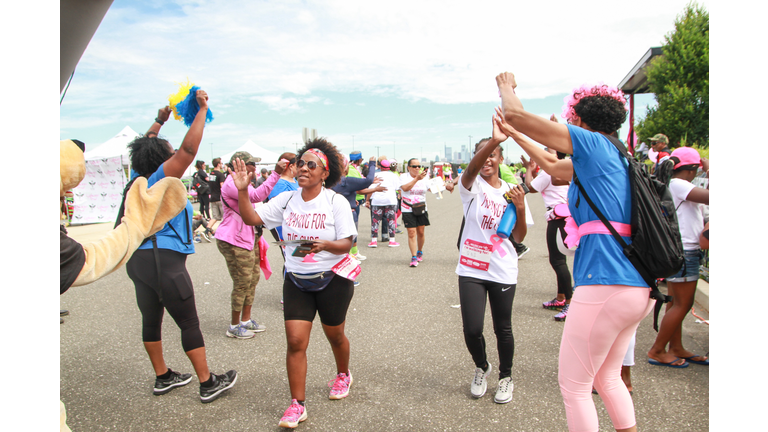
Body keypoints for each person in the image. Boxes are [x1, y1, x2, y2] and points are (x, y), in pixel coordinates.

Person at [496, 72, 654, 432]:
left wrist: (506, 86)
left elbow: (519, 115)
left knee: (575, 387)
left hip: (605, 284)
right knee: (607, 378)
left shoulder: (593, 145)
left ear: (579, 122)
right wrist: (517, 135)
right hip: (637, 287)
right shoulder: (615, 156)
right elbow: (553, 168)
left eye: (571, 121)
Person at [231, 138, 357, 429]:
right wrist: (242, 190)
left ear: (324, 173)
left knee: (335, 335)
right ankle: (297, 405)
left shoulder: (334, 201)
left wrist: (325, 245)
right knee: (296, 341)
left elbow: (347, 242)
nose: (303, 168)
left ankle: (343, 374)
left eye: (311, 164)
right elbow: (250, 217)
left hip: (333, 280)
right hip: (296, 280)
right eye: (300, 163)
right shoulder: (286, 200)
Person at [125, 91, 237, 404]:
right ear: (162, 159)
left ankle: (163, 377)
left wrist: (160, 121)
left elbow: (146, 145)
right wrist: (202, 109)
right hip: (164, 261)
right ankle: (207, 382)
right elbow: (189, 149)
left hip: (137, 260)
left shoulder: (137, 177)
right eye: (168, 152)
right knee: (188, 322)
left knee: (151, 319)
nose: (174, 153)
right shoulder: (160, 177)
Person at [456, 117, 527, 405]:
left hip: (502, 269)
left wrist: (520, 208)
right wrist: (494, 141)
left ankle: (506, 376)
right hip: (471, 267)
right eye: (482, 154)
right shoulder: (471, 188)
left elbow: (519, 236)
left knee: (503, 328)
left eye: (492, 155)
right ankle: (482, 366)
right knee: (472, 328)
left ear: (499, 160)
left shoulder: (511, 192)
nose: (486, 160)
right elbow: (472, 168)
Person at [647, 147, 709, 367]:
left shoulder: (672, 184)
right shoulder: (680, 184)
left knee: (675, 303)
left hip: (677, 248)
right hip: (686, 250)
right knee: (684, 303)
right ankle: (657, 350)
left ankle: (676, 347)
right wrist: (711, 172)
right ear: (692, 169)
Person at [215, 151, 287, 339]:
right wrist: (276, 174)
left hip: (248, 238)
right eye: (251, 164)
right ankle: (233, 325)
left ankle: (245, 321)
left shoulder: (243, 182)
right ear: (239, 165)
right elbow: (255, 197)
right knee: (242, 282)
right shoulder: (233, 183)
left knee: (253, 279)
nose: (254, 168)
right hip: (234, 240)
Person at [521, 150, 573, 321]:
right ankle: (560, 298)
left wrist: (528, 169)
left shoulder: (549, 172)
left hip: (556, 219)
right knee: (560, 259)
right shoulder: (568, 168)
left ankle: (570, 303)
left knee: (557, 261)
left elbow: (530, 187)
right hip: (569, 218)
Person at [331, 155, 386, 268]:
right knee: (347, 241)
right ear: (344, 167)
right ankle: (348, 266)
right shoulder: (345, 181)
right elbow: (368, 180)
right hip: (348, 214)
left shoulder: (331, 182)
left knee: (341, 241)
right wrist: (372, 163)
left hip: (337, 214)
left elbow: (352, 191)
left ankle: (351, 256)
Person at [400, 158, 430, 267]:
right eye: (414, 166)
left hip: (421, 208)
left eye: (419, 166)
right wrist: (417, 179)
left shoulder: (425, 178)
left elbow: (432, 188)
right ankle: (413, 257)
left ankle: (419, 251)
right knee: (412, 232)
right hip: (407, 207)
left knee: (421, 232)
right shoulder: (404, 177)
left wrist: (443, 186)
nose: (417, 168)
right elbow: (405, 188)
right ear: (408, 167)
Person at [366, 157, 400, 248]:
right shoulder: (394, 175)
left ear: (380, 166)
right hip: (390, 200)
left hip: (377, 200)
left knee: (375, 221)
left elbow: (370, 189)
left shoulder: (375, 175)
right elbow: (398, 188)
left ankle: (374, 241)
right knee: (391, 220)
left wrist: (367, 200)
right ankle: (392, 240)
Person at [208, 157, 227, 229]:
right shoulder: (220, 174)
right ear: (218, 164)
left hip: (212, 197)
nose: (222, 165)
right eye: (221, 163)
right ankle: (224, 231)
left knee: (215, 217)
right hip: (219, 198)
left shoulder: (211, 174)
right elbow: (222, 186)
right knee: (225, 216)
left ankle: (207, 229)